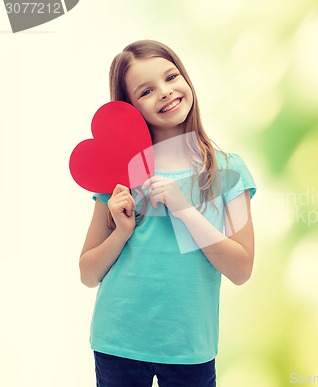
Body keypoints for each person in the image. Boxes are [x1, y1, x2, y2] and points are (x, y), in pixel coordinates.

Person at [79, 40, 257, 387]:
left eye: (171, 76)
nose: (165, 92)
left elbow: (241, 268)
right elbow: (87, 273)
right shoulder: (118, 173)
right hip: (118, 343)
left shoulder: (227, 171)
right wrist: (121, 231)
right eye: (146, 91)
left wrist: (185, 210)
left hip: (190, 347)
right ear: (130, 107)